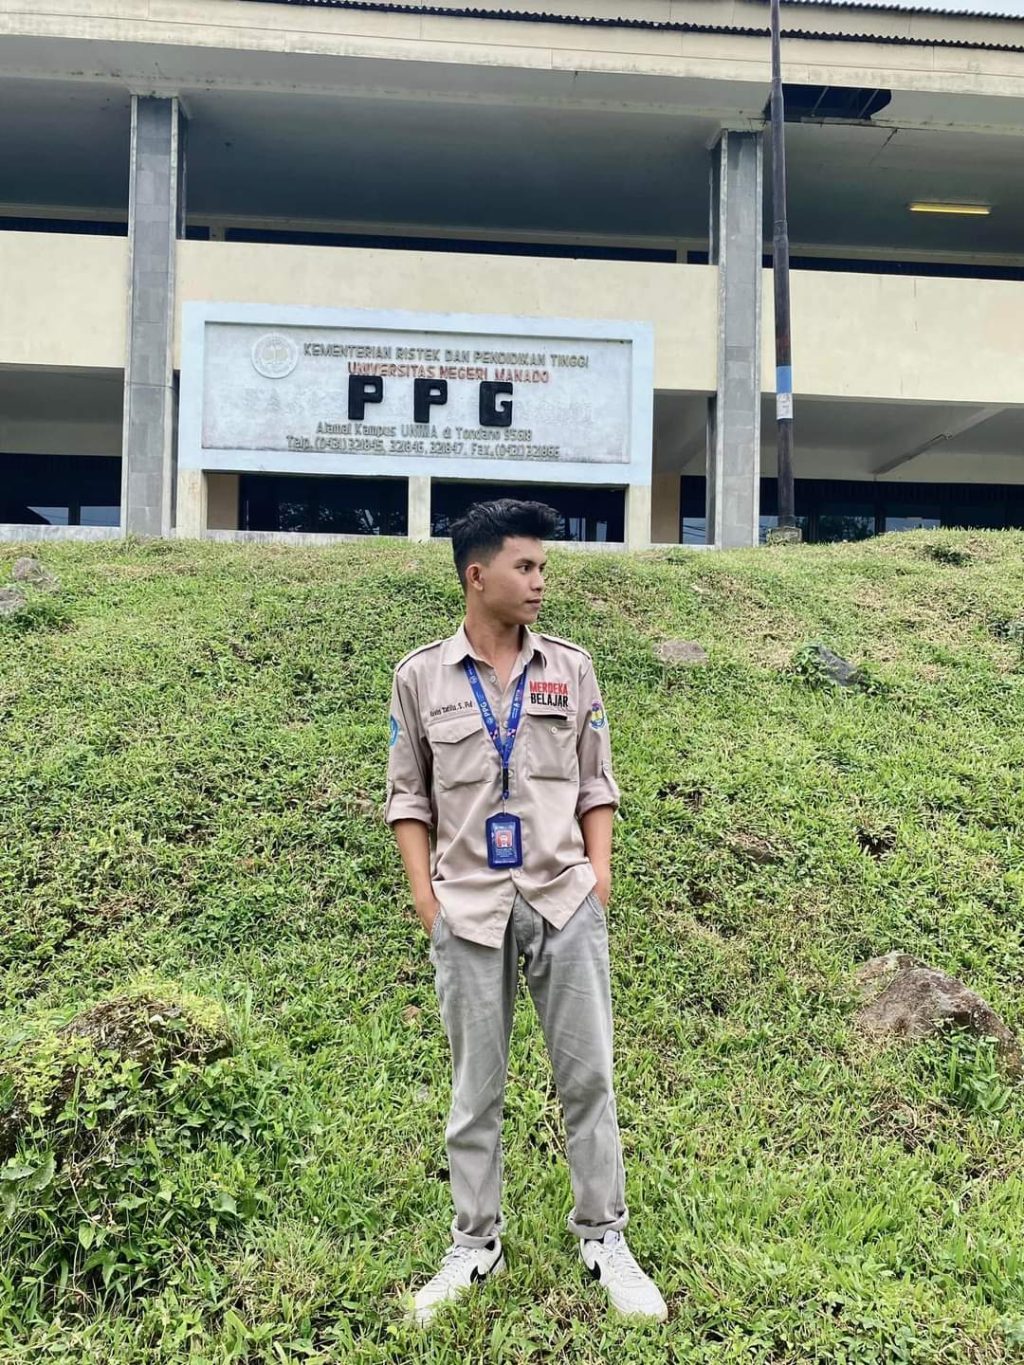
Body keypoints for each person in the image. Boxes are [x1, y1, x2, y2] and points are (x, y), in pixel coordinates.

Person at [385, 498, 667, 1326]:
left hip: (562, 899)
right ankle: (475, 1243)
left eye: (543, 566)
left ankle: (604, 1236)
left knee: (589, 1079)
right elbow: (408, 797)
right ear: (478, 576)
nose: (541, 580)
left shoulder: (571, 668)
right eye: (527, 566)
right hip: (469, 909)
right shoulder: (420, 677)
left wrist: (598, 877)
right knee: (475, 1089)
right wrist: (427, 900)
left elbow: (597, 782)